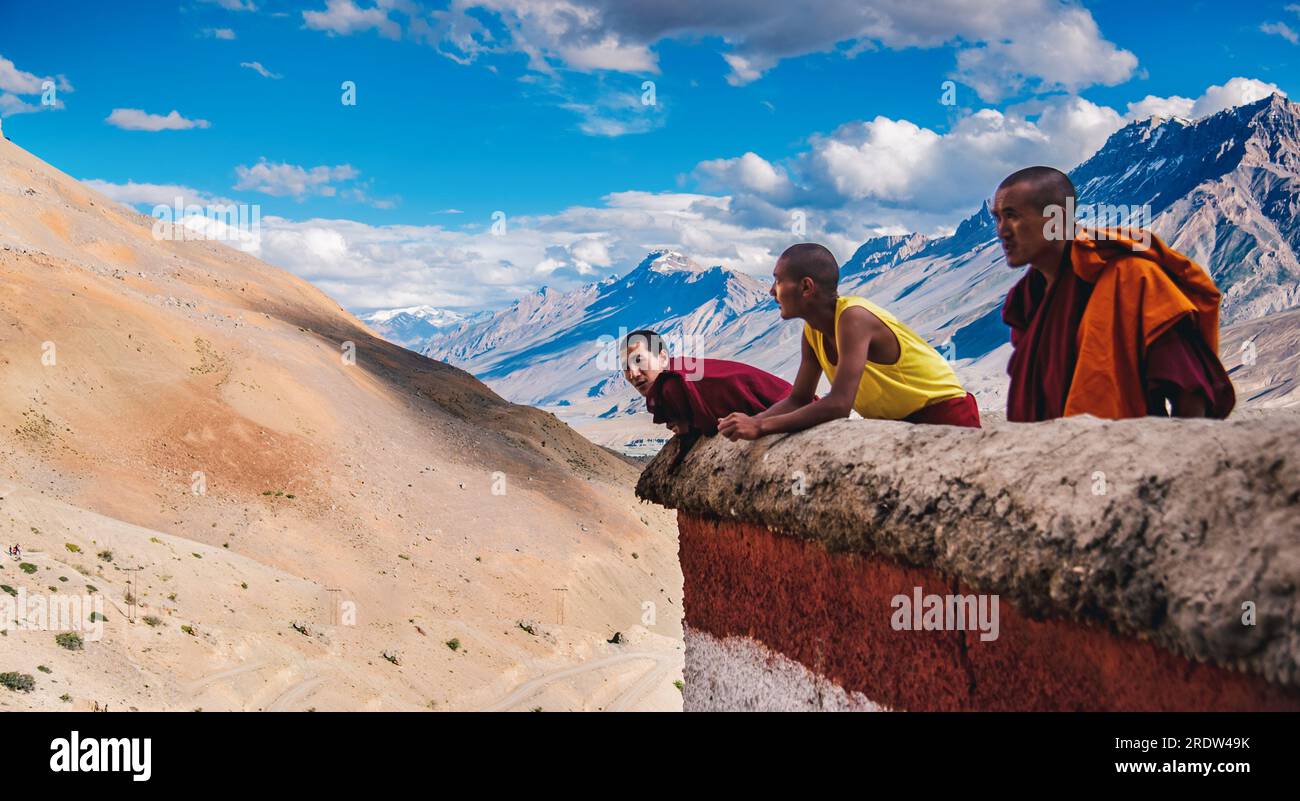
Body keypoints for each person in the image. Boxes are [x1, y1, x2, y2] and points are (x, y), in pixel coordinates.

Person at [993, 166, 1234, 422]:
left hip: (1126, 454)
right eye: (997, 218)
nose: (1002, 231)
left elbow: (1189, 392)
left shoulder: (1133, 277)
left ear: (1056, 219)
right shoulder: (1027, 300)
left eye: (1012, 216)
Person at [718, 243, 979, 441]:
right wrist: (749, 422)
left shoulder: (853, 318)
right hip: (901, 427)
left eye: (778, 280)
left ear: (806, 287)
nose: (771, 291)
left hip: (947, 418)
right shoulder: (813, 332)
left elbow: (839, 405)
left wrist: (761, 426)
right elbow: (799, 399)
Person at [622, 330, 792, 436]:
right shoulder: (677, 367)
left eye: (639, 360)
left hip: (788, 406)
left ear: (663, 357)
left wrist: (689, 426)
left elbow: (708, 426)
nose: (633, 373)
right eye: (626, 367)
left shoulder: (672, 384)